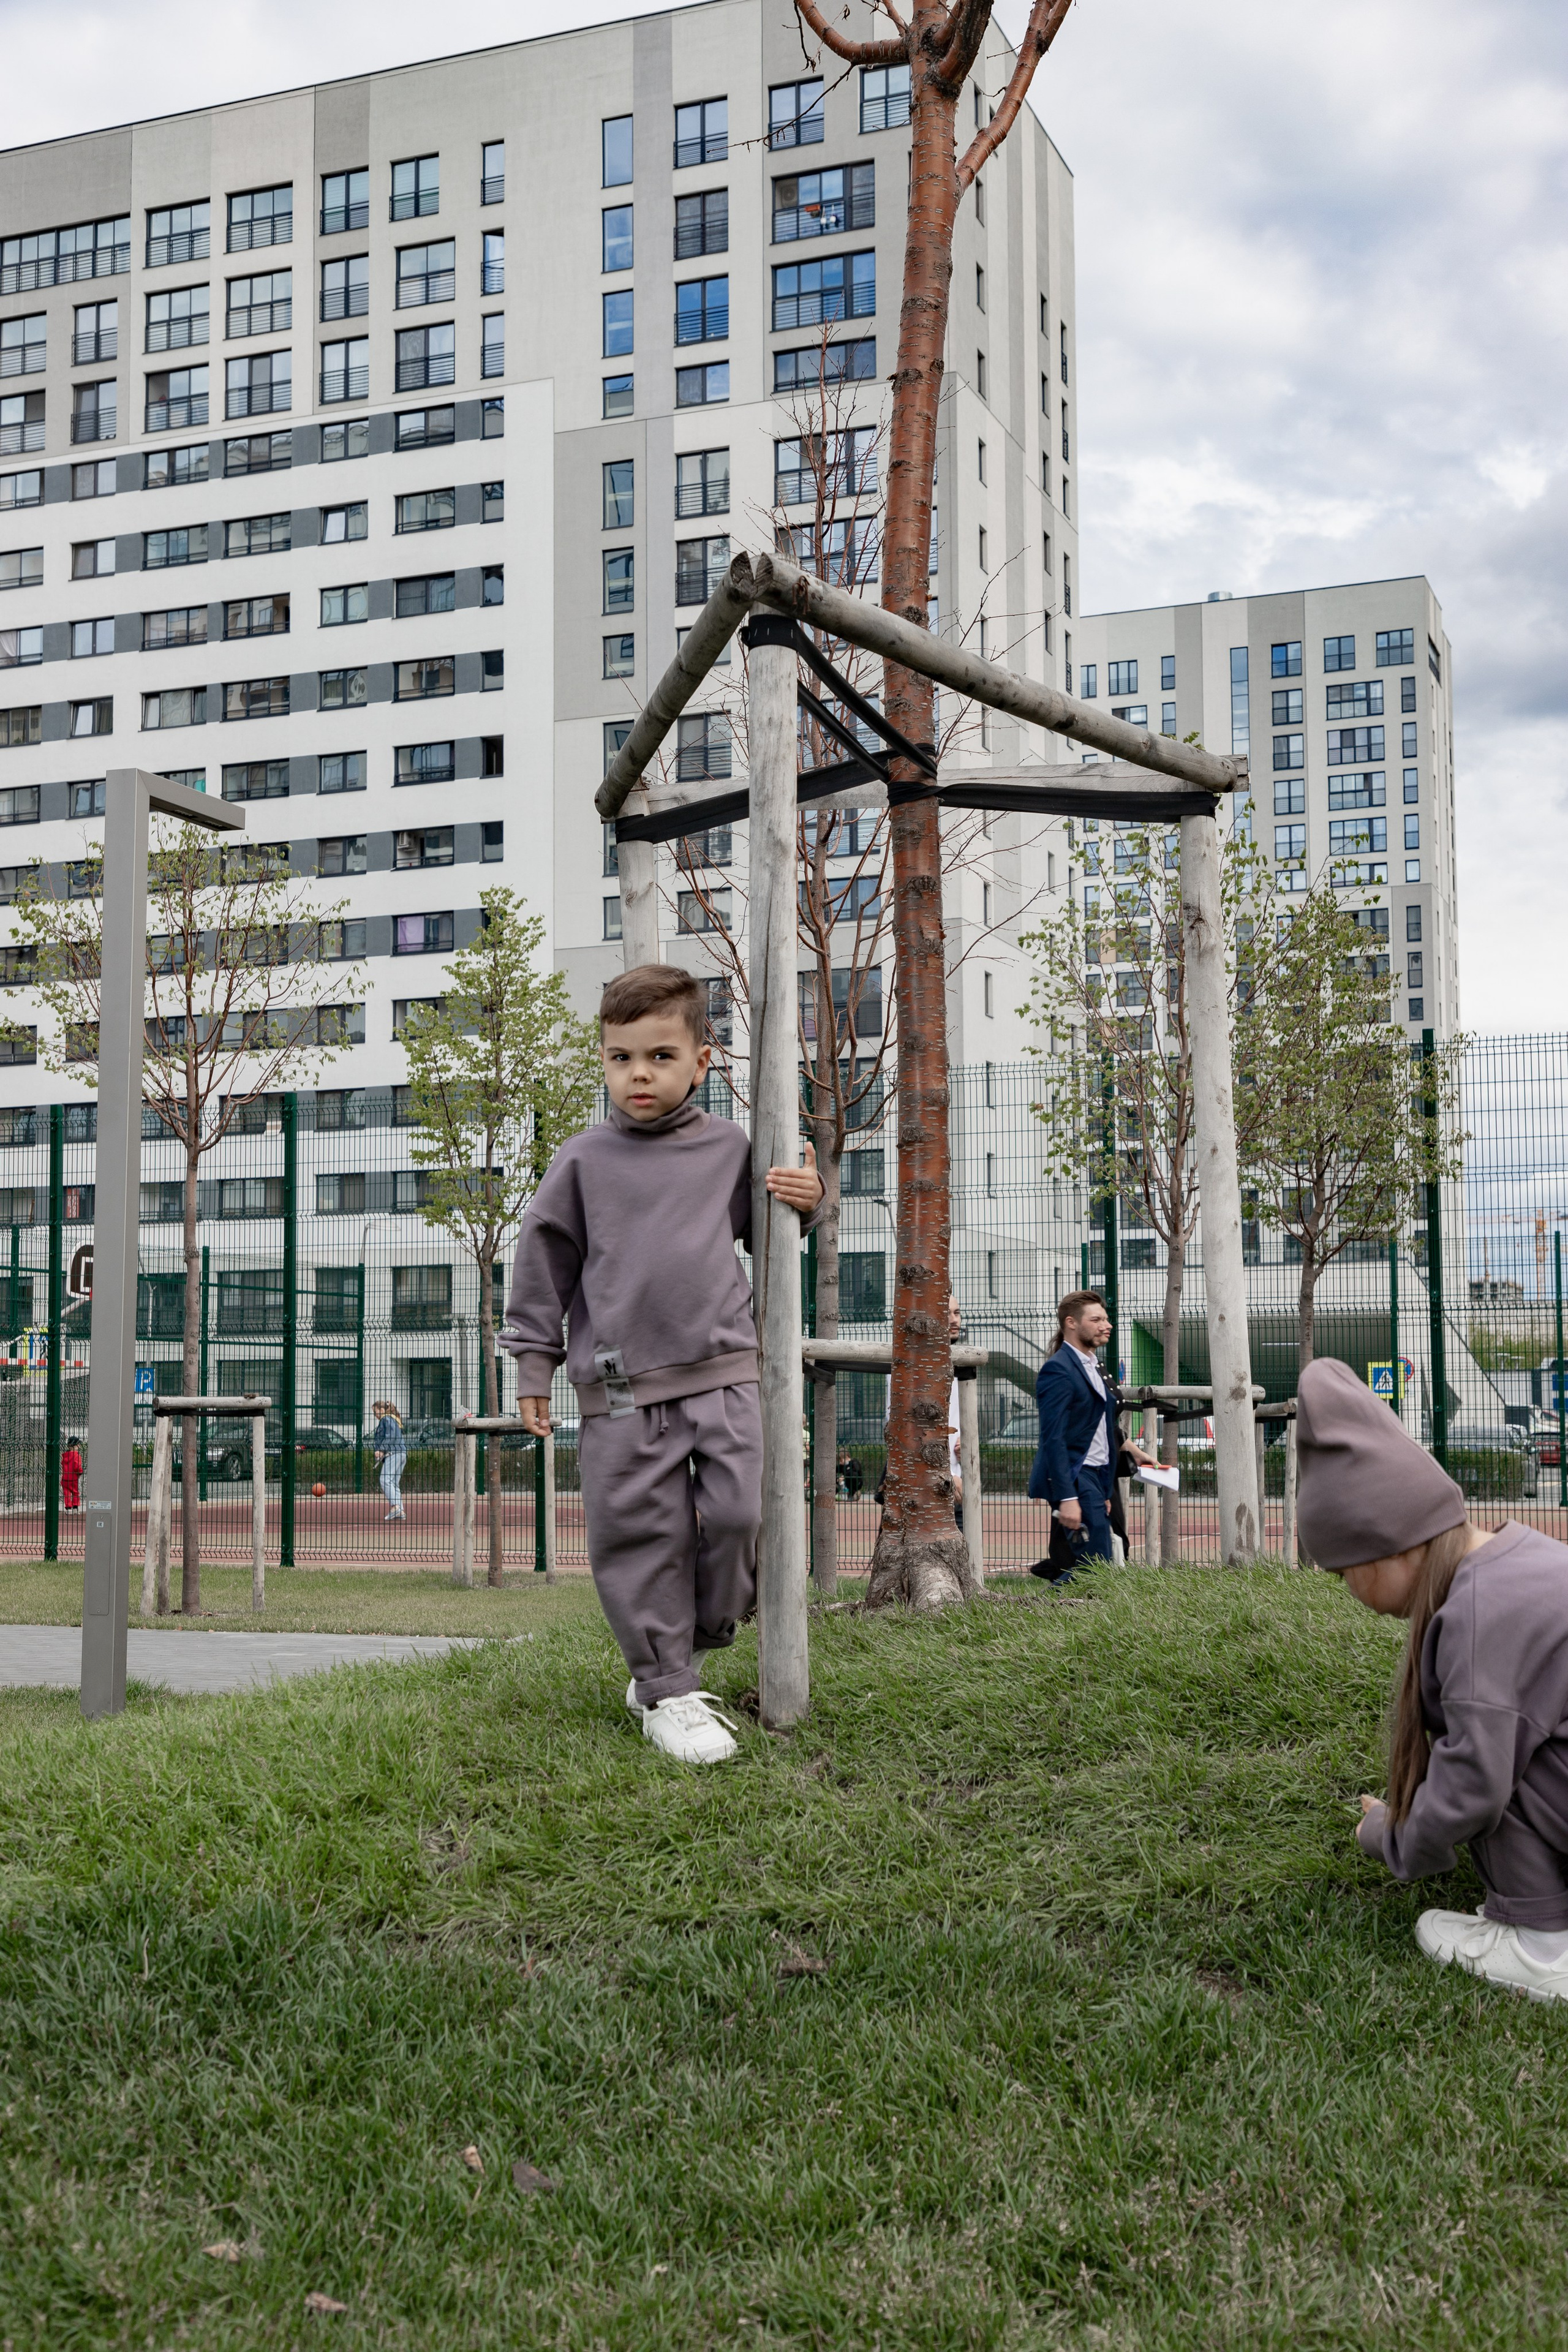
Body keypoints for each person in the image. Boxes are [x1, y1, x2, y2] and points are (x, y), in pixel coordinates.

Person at [503, 963, 823, 1766]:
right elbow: (543, 1267)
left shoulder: (732, 1151)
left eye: (659, 1057)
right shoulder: (582, 1161)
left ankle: (682, 1651)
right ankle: (667, 1686)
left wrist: (815, 1198)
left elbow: (780, 1227)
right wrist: (533, 1367)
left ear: (702, 1062)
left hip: (724, 1374)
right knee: (639, 1536)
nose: (639, 1075)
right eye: (620, 1059)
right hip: (621, 1391)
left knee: (741, 1516)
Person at [1299, 1356, 1568, 2002]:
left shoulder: (1476, 1620)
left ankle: (1540, 1945)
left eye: (1343, 1573)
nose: (1348, 1592)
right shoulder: (1521, 1555)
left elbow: (1472, 1785)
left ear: (1389, 1545)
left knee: (1492, 1756)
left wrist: (1390, 1834)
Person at [1027, 1290, 1155, 1580]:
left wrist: (1106, 1484)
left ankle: (1064, 1610)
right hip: (1077, 1475)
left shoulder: (1094, 1366)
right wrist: (1068, 1496)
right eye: (1096, 1319)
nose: (1106, 1325)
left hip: (1099, 1475)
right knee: (1099, 1561)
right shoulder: (1058, 1370)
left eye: (1107, 1319)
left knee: (1090, 1559)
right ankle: (1040, 1610)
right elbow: (1053, 1439)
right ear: (1071, 1323)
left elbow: (1103, 1426)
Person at [372, 1401, 407, 1521]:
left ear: (381, 1410)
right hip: (401, 1453)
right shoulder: (394, 1419)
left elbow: (390, 1436)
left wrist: (381, 1449)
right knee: (393, 1483)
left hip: (393, 1453)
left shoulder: (386, 1419)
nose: (375, 1415)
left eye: (375, 1412)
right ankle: (400, 1510)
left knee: (385, 1480)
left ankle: (395, 1507)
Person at [60, 1436, 82, 1513]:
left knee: (67, 1494)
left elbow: (63, 1464)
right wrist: (80, 1472)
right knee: (75, 1493)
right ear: (77, 1445)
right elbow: (77, 1467)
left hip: (65, 1479)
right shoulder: (77, 1456)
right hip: (73, 1479)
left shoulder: (65, 1456)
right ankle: (75, 1508)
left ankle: (68, 1508)